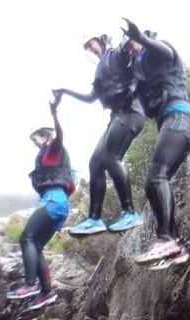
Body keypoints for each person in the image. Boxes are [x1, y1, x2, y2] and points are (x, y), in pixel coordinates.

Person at [121, 18, 190, 270]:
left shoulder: (161, 52)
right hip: (170, 120)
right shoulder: (141, 72)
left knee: (157, 178)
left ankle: (166, 240)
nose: (131, 49)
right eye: (128, 48)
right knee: (150, 186)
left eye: (132, 45)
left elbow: (163, 50)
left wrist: (142, 39)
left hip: (181, 116)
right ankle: (174, 247)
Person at [55, 33, 146, 236]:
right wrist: (65, 91)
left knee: (111, 157)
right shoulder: (101, 69)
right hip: (118, 116)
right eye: (87, 48)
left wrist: (135, 36)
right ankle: (94, 219)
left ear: (102, 39)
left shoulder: (118, 54)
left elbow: (132, 48)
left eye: (91, 44)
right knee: (95, 162)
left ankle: (130, 212)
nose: (91, 49)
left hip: (131, 112)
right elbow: (90, 98)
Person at [6, 92, 74, 310]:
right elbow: (71, 186)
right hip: (59, 202)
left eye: (35, 137)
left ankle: (30, 284)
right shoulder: (55, 159)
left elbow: (60, 136)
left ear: (44, 135)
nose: (34, 142)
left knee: (26, 238)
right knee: (36, 246)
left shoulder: (54, 148)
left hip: (52, 200)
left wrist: (55, 114)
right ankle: (46, 292)